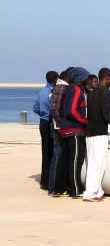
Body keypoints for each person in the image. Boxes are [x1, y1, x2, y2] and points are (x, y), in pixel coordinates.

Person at [84, 68, 110, 202]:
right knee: (98, 163)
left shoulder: (91, 92)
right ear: (108, 78)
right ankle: (90, 193)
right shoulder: (105, 92)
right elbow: (106, 114)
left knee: (94, 162)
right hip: (99, 133)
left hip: (89, 132)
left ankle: (98, 191)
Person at [59, 67, 90, 197]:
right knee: (76, 161)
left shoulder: (69, 89)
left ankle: (70, 186)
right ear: (81, 78)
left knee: (70, 160)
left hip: (67, 129)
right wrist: (84, 121)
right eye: (86, 77)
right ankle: (76, 189)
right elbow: (72, 110)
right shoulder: (77, 90)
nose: (88, 79)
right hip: (75, 130)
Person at [32, 70, 58, 190]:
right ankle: (49, 181)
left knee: (45, 150)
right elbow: (54, 108)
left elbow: (35, 107)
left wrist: (42, 113)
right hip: (49, 122)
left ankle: (44, 180)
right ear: (54, 80)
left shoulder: (42, 91)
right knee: (52, 151)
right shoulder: (52, 92)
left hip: (42, 122)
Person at [48, 68, 71, 196]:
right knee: (58, 156)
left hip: (57, 127)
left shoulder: (58, 87)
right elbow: (55, 108)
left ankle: (53, 186)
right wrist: (61, 124)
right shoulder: (62, 87)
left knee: (57, 157)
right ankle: (54, 186)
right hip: (59, 128)